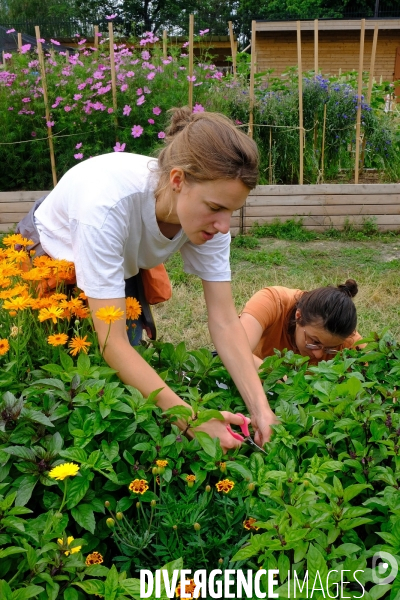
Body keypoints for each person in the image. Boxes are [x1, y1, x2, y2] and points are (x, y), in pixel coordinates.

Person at [16, 107, 277, 450]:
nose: (224, 225)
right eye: (215, 208)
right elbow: (114, 344)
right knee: (61, 376)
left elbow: (225, 320)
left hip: (120, 255)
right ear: (178, 180)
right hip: (53, 253)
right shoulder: (106, 206)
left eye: (232, 211)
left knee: (135, 382)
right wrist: (193, 420)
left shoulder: (209, 217)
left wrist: (261, 407)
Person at [240, 280, 363, 368]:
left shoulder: (350, 341)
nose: (319, 355)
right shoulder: (272, 302)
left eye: (330, 349)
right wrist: (279, 379)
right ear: (299, 316)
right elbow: (235, 350)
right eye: (315, 342)